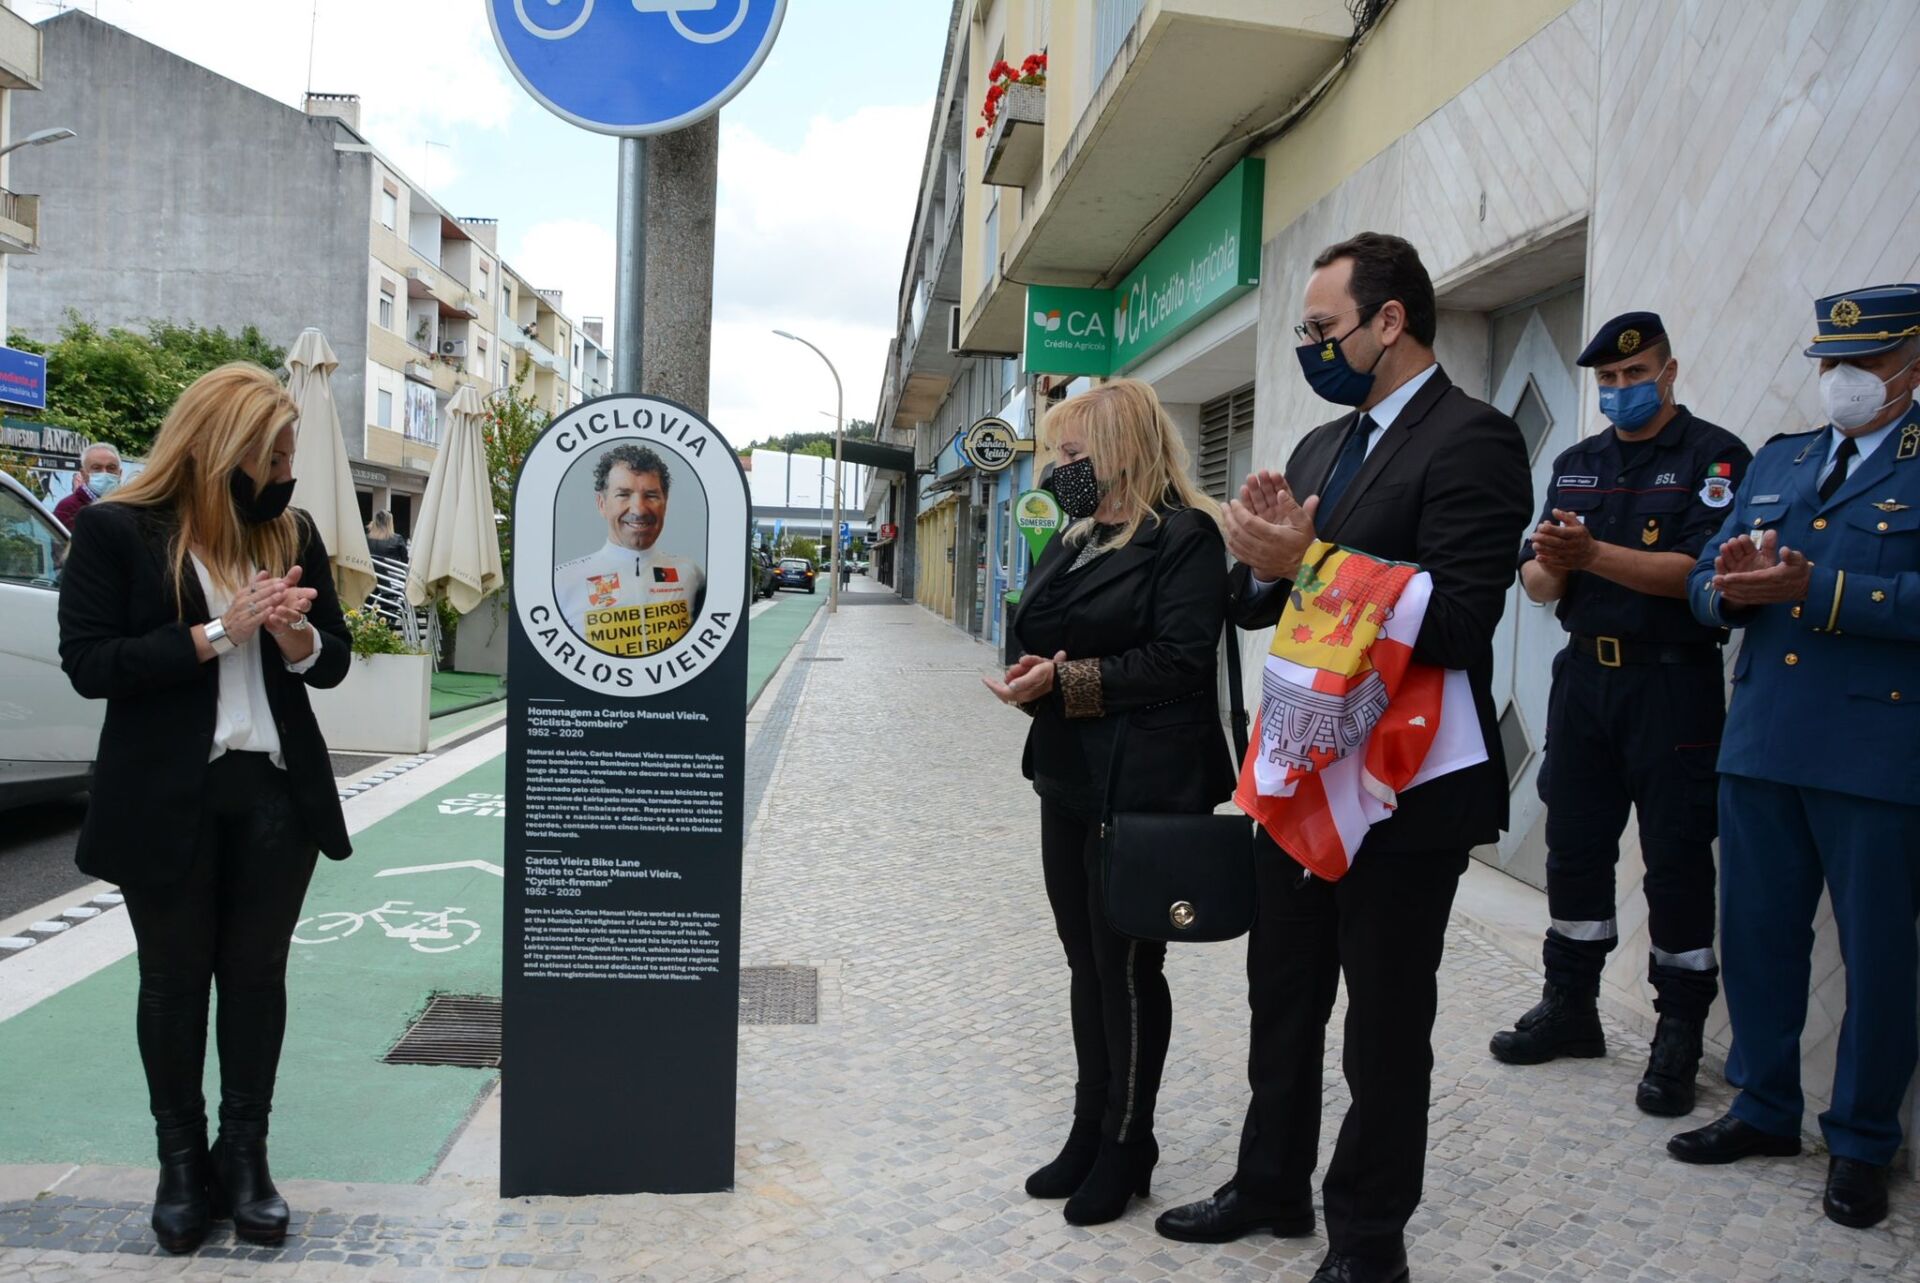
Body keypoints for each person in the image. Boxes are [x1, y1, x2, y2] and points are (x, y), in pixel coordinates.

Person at [1156, 233, 1531, 1283]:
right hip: (1304, 771)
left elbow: (1458, 619)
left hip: (1408, 786)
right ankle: (1269, 1183)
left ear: (1390, 320)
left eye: (1324, 329)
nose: (1314, 347)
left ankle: (1368, 1233)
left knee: (1385, 1017)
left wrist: (1310, 559)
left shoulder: (1477, 440)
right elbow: (1271, 601)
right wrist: (1255, 552)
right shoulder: (1324, 447)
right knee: (1283, 993)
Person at [56, 362, 353, 1255]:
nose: (286, 468)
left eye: (291, 451)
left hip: (274, 794)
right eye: (276, 452)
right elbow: (92, 664)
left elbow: (329, 659)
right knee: (175, 981)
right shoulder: (119, 530)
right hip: (163, 795)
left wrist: (295, 629)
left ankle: (246, 1158)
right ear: (226, 447)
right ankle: (182, 1165)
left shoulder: (289, 529)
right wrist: (224, 629)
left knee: (256, 978)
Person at [1674, 283, 1920, 1231]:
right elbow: (1705, 577)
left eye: (1862, 364)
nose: (1841, 380)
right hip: (1766, 738)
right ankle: (1764, 1106)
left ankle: (1862, 1142)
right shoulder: (1781, 460)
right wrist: (1728, 594)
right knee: (1760, 938)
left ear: (1909, 368)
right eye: (1830, 364)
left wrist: (1824, 589)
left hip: (1878, 750)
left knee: (1879, 957)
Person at [983, 378, 1233, 1228]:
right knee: (1084, 963)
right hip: (1067, 777)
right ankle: (1090, 1127)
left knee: (1126, 968)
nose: (1059, 466)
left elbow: (1180, 661)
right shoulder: (1084, 535)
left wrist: (1068, 679)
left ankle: (1130, 1142)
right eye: (1056, 453)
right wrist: (1033, 670)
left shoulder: (1185, 537)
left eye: (1073, 454)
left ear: (1123, 449)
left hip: (1141, 787)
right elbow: (1031, 623)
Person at [1489, 313, 1752, 1116]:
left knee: (1674, 855)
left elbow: (1702, 576)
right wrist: (1550, 567)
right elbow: (1536, 581)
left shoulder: (1714, 457)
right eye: (1608, 381)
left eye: (1634, 377)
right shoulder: (1575, 464)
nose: (1620, 392)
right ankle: (1571, 1005)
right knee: (1574, 844)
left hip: (1671, 683)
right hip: (1585, 682)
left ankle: (1678, 1031)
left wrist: (1592, 555)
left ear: (1670, 372)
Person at [555, 443, 705, 657]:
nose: (638, 509)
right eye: (623, 494)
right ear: (601, 504)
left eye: (651, 495)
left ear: (665, 503)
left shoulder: (690, 574)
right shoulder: (562, 583)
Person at [53, 442, 124, 529]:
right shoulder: (67, 508)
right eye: (96, 468)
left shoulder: (128, 506)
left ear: (120, 474)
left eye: (111, 468)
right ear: (83, 474)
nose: (105, 473)